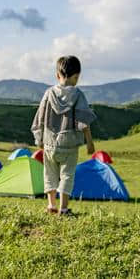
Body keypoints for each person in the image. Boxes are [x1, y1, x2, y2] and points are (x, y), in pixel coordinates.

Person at [31, 56, 96, 216]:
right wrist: (89, 143)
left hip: (49, 142)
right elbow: (84, 122)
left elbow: (39, 118)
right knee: (67, 175)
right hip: (69, 143)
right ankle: (64, 208)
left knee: (50, 173)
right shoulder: (78, 95)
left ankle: (51, 205)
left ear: (57, 75)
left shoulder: (48, 93)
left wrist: (39, 139)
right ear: (77, 76)